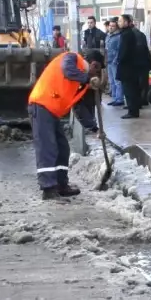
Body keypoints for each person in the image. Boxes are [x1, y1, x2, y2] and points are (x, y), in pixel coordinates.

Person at [28, 48, 104, 200]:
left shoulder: (80, 82)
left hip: (52, 111)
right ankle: (48, 188)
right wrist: (87, 79)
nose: (97, 75)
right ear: (94, 65)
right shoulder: (71, 58)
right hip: (42, 104)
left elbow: (79, 108)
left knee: (62, 147)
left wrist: (94, 128)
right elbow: (67, 70)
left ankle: (61, 184)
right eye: (98, 70)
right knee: (47, 147)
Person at [116, 14, 151, 119]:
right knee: (132, 89)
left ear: (126, 22)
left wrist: (119, 59)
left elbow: (124, 51)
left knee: (129, 89)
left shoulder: (127, 34)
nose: (119, 23)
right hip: (132, 67)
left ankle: (133, 111)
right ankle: (133, 109)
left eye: (120, 21)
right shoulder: (128, 33)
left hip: (128, 67)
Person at [105, 19, 124, 107]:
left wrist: (116, 60)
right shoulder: (108, 36)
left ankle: (119, 99)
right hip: (108, 61)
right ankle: (114, 98)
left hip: (114, 61)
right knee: (111, 81)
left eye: (113, 26)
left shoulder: (119, 37)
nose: (111, 27)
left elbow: (119, 50)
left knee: (117, 81)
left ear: (116, 27)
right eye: (110, 26)